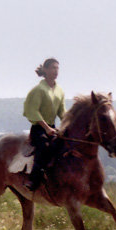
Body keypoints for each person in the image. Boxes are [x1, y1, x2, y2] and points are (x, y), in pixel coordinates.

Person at [23, 58, 66, 191]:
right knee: (44, 146)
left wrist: (68, 124)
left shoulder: (59, 90)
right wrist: (46, 128)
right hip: (39, 128)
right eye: (53, 68)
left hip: (53, 128)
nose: (55, 71)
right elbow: (32, 111)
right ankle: (33, 179)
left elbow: (62, 111)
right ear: (46, 70)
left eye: (57, 68)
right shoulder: (39, 90)